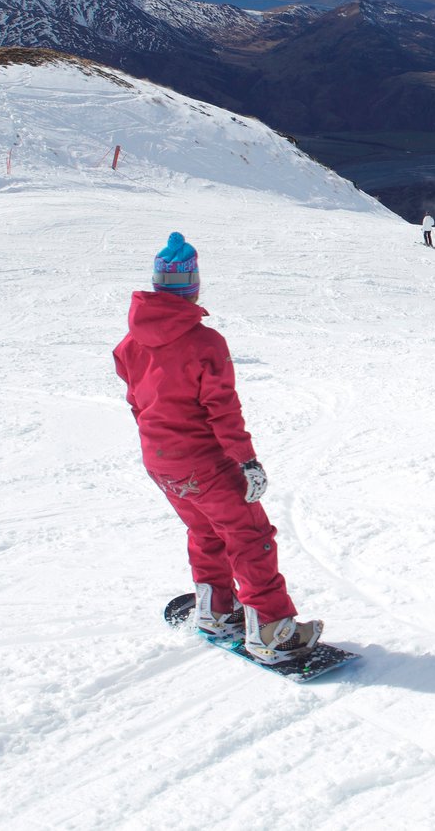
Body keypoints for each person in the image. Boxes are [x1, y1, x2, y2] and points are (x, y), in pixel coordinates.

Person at [113, 232, 323, 666]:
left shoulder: (130, 344)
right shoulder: (204, 343)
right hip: (203, 462)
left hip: (161, 462)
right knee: (250, 537)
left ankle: (216, 610)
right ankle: (272, 629)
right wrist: (247, 462)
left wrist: (161, 446)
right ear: (193, 286)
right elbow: (223, 412)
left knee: (206, 531)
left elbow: (137, 401)